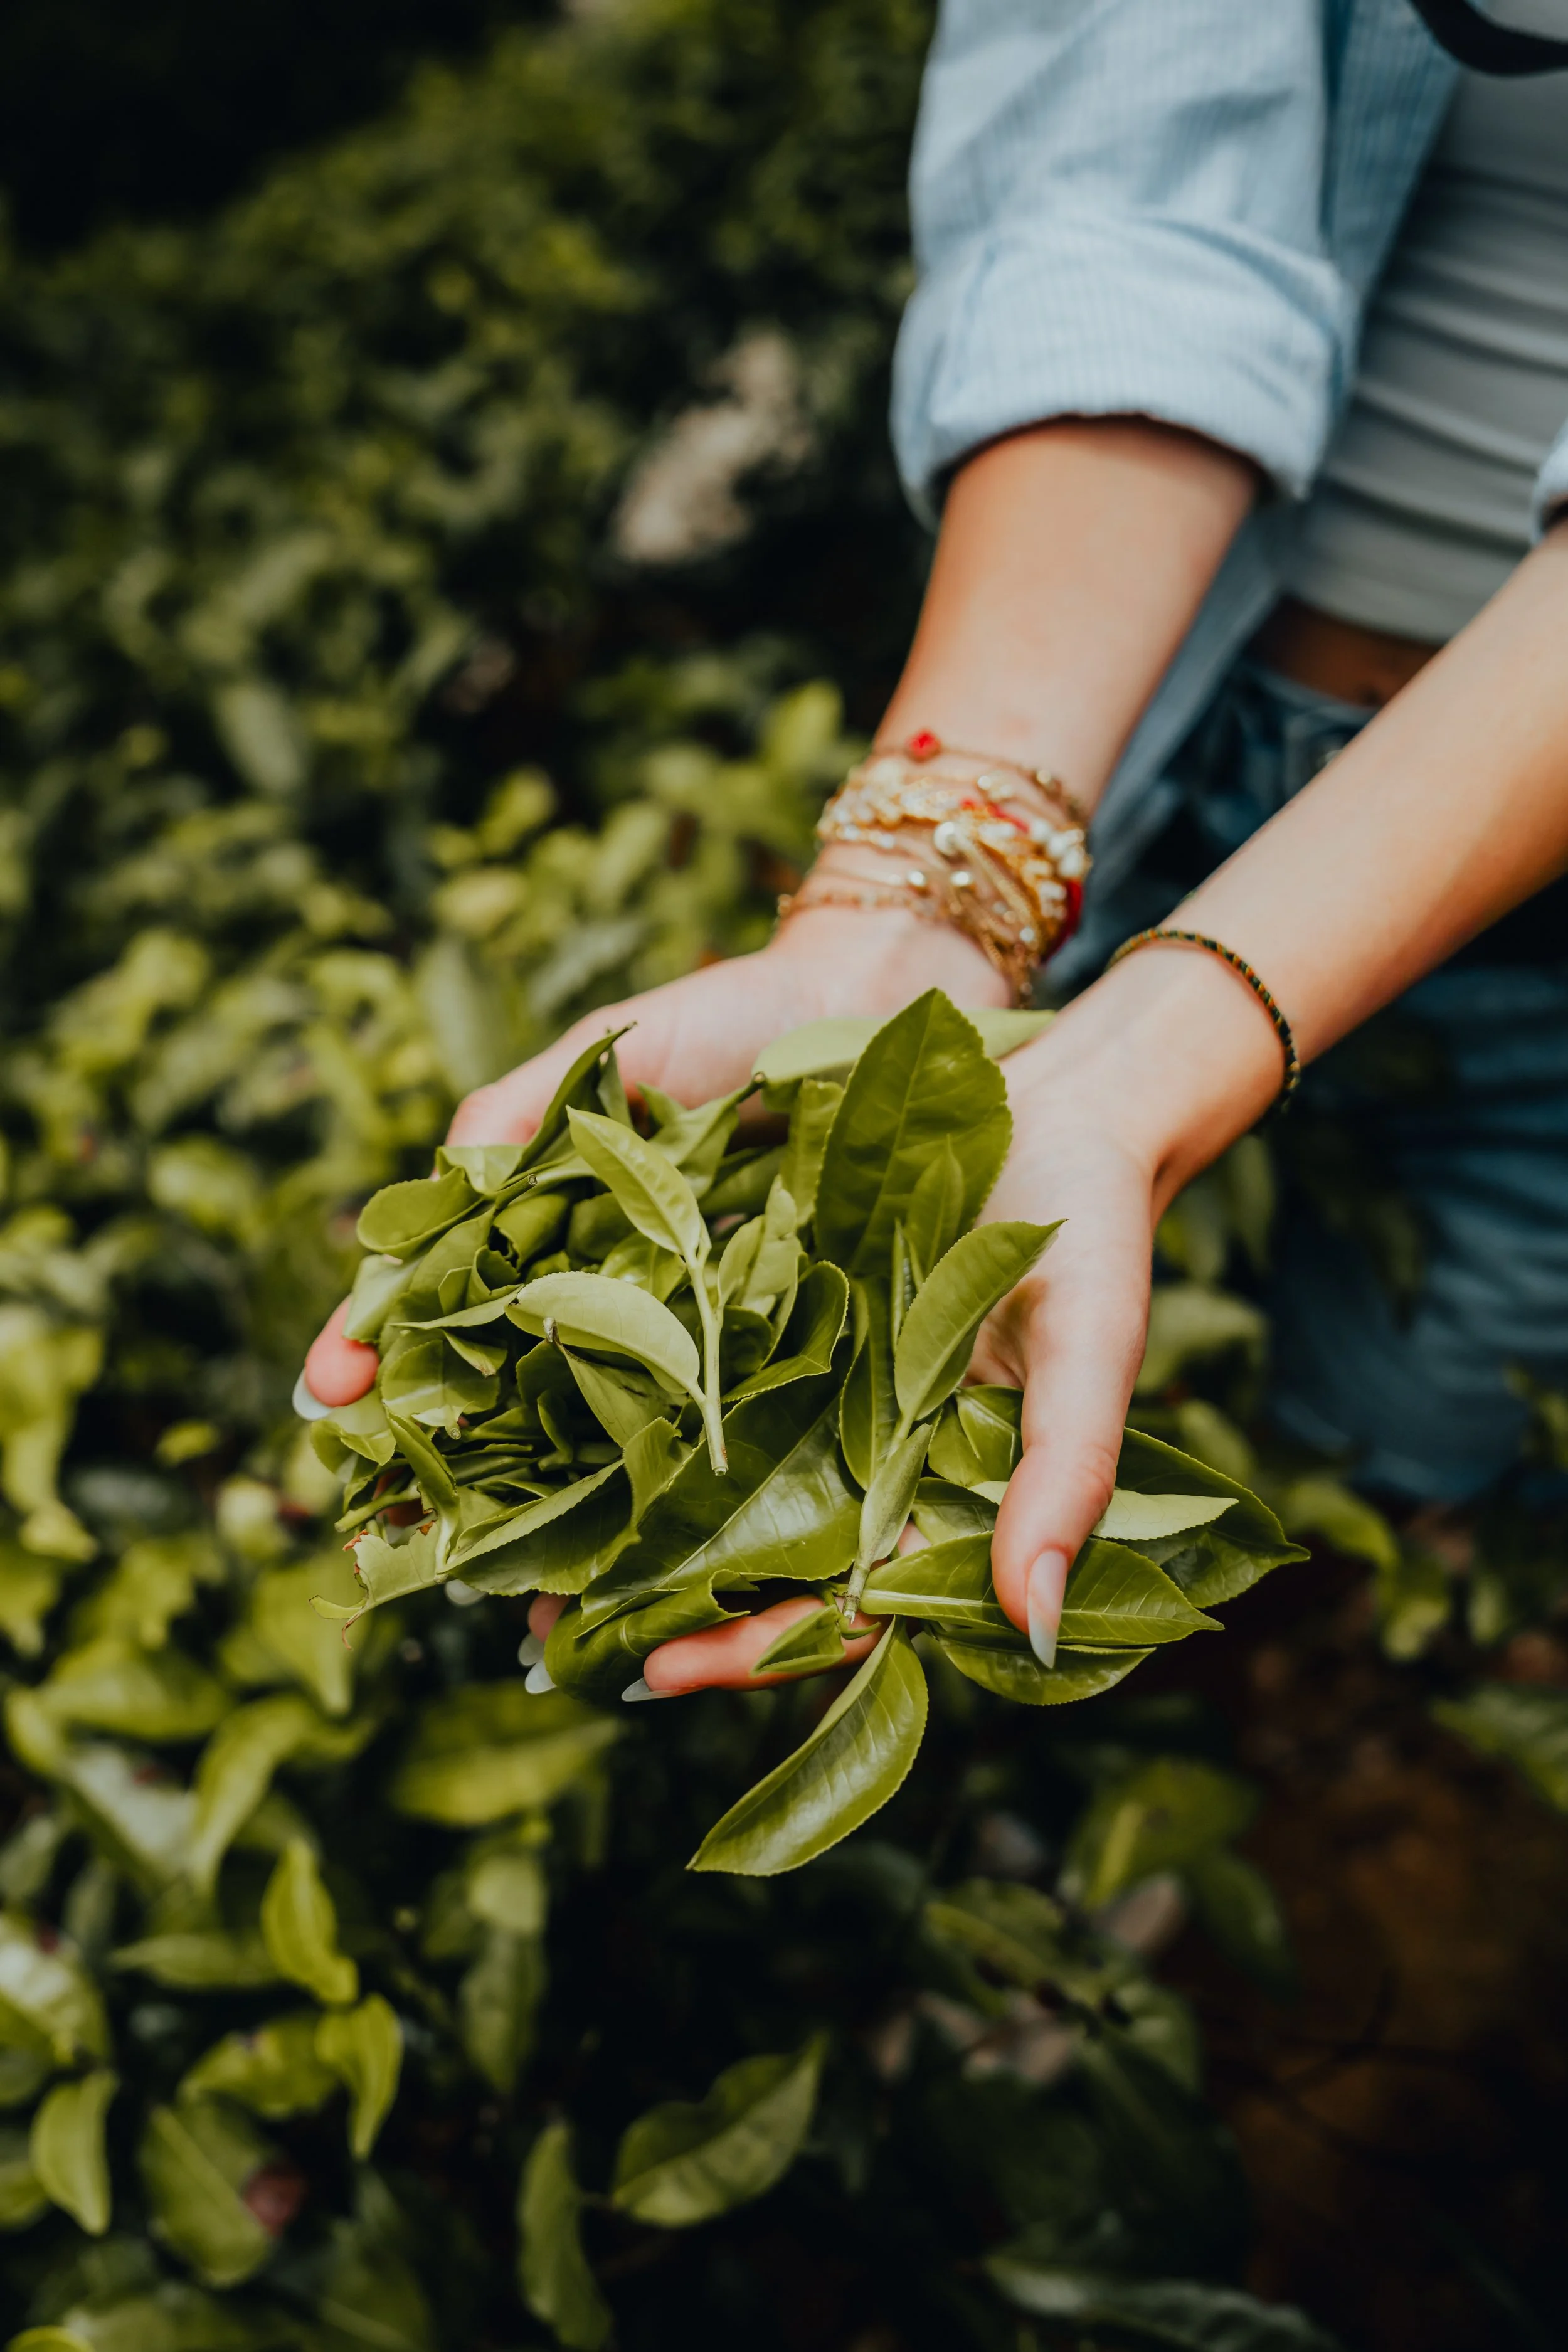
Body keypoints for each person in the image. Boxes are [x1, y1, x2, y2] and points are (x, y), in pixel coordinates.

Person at [301, 0, 1568, 1692]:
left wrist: (1153, 1042)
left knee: (1412, 1439)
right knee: (1072, 1354)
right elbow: (1134, 168)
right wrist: (907, 911)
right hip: (1157, 713)